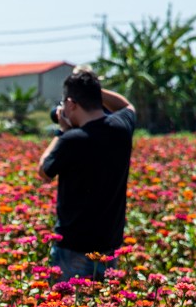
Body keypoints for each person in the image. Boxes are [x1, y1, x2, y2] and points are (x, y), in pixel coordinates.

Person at [37, 68, 136, 283]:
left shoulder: (72, 140)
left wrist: (61, 132)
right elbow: (127, 106)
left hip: (73, 248)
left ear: (71, 104)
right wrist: (93, 89)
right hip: (109, 246)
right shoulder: (121, 129)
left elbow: (44, 170)